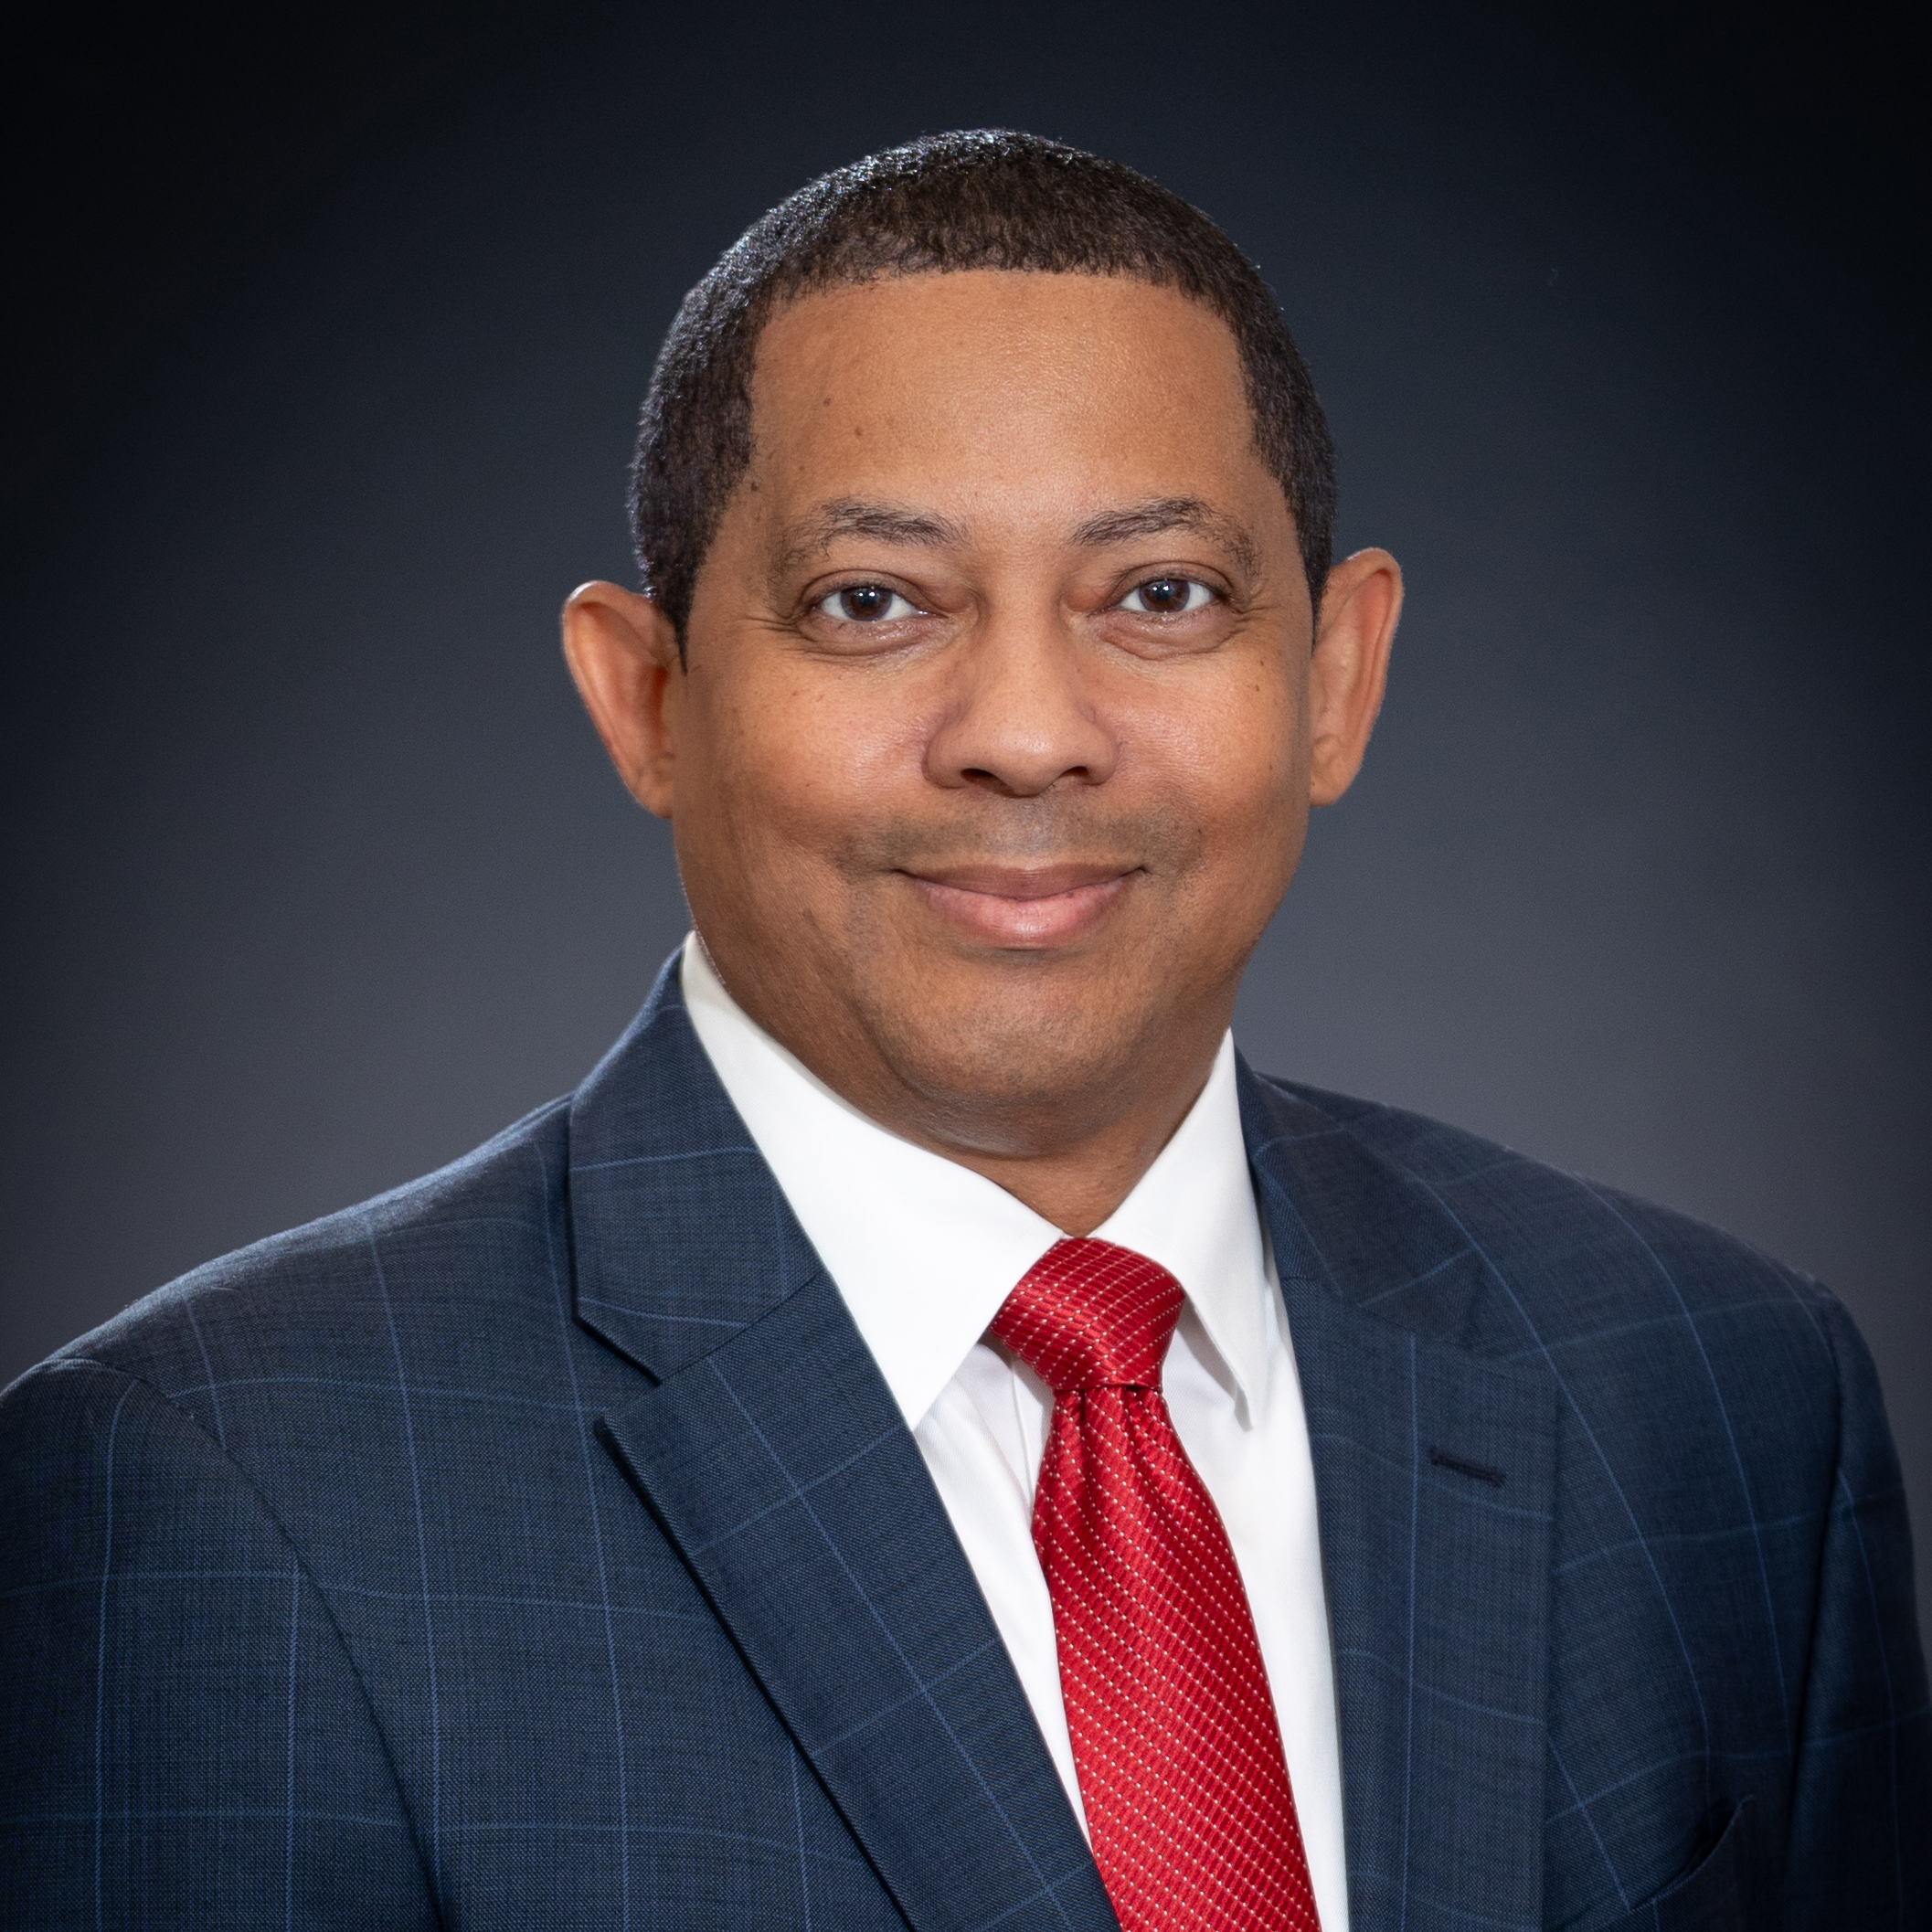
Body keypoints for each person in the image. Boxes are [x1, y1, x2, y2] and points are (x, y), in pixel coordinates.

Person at [1, 130, 1922, 1932]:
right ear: (647, 693)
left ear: (1335, 677)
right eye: (873, 602)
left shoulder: (1718, 1401)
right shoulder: (222, 1493)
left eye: (1157, 594)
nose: (1026, 726)